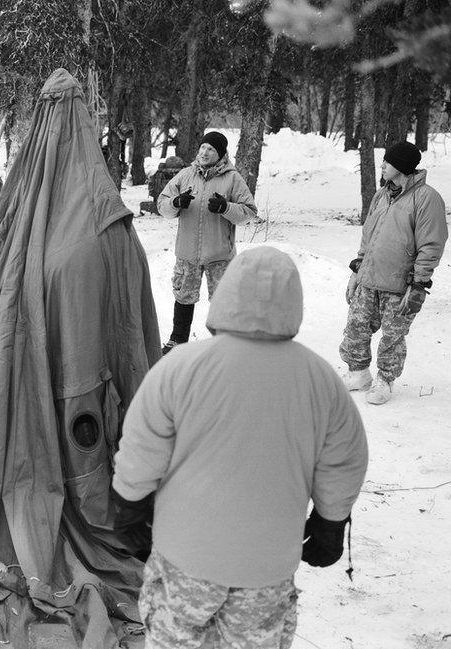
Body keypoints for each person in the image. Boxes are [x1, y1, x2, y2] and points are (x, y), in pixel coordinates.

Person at [112, 246, 368, 649]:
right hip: (266, 567)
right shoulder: (321, 381)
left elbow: (143, 443)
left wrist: (130, 505)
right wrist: (330, 522)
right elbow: (345, 460)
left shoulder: (181, 367)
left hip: (184, 558)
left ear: (226, 293)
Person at [339, 141, 447, 405]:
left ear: (402, 167)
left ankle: (384, 381)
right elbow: (369, 236)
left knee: (392, 336)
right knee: (356, 328)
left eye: (387, 162)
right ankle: (359, 374)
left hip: (400, 284)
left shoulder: (426, 198)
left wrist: (419, 283)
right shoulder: (382, 194)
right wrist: (357, 268)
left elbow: (431, 244)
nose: (383, 165)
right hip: (369, 277)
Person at [156, 131, 257, 355]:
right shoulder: (185, 175)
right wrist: (176, 202)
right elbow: (162, 204)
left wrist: (226, 208)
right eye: (202, 147)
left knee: (223, 299)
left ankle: (226, 342)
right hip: (188, 252)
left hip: (219, 254)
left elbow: (249, 211)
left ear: (220, 154)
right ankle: (177, 340)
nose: (204, 152)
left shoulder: (232, 178)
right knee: (183, 296)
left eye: (210, 149)